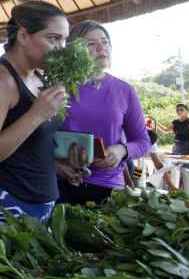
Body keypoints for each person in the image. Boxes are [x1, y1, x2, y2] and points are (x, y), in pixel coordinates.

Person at [0, 0, 71, 237]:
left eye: (64, 40)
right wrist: (35, 116)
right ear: (23, 35)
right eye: (53, 39)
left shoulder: (39, 77)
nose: (60, 48)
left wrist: (60, 165)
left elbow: (28, 146)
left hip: (40, 203)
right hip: (4, 204)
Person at [54, 21, 150, 205]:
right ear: (73, 52)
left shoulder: (124, 90)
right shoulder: (56, 87)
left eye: (105, 42)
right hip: (58, 187)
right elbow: (34, 139)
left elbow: (143, 141)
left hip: (108, 189)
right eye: (91, 44)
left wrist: (122, 150)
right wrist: (55, 165)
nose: (101, 47)